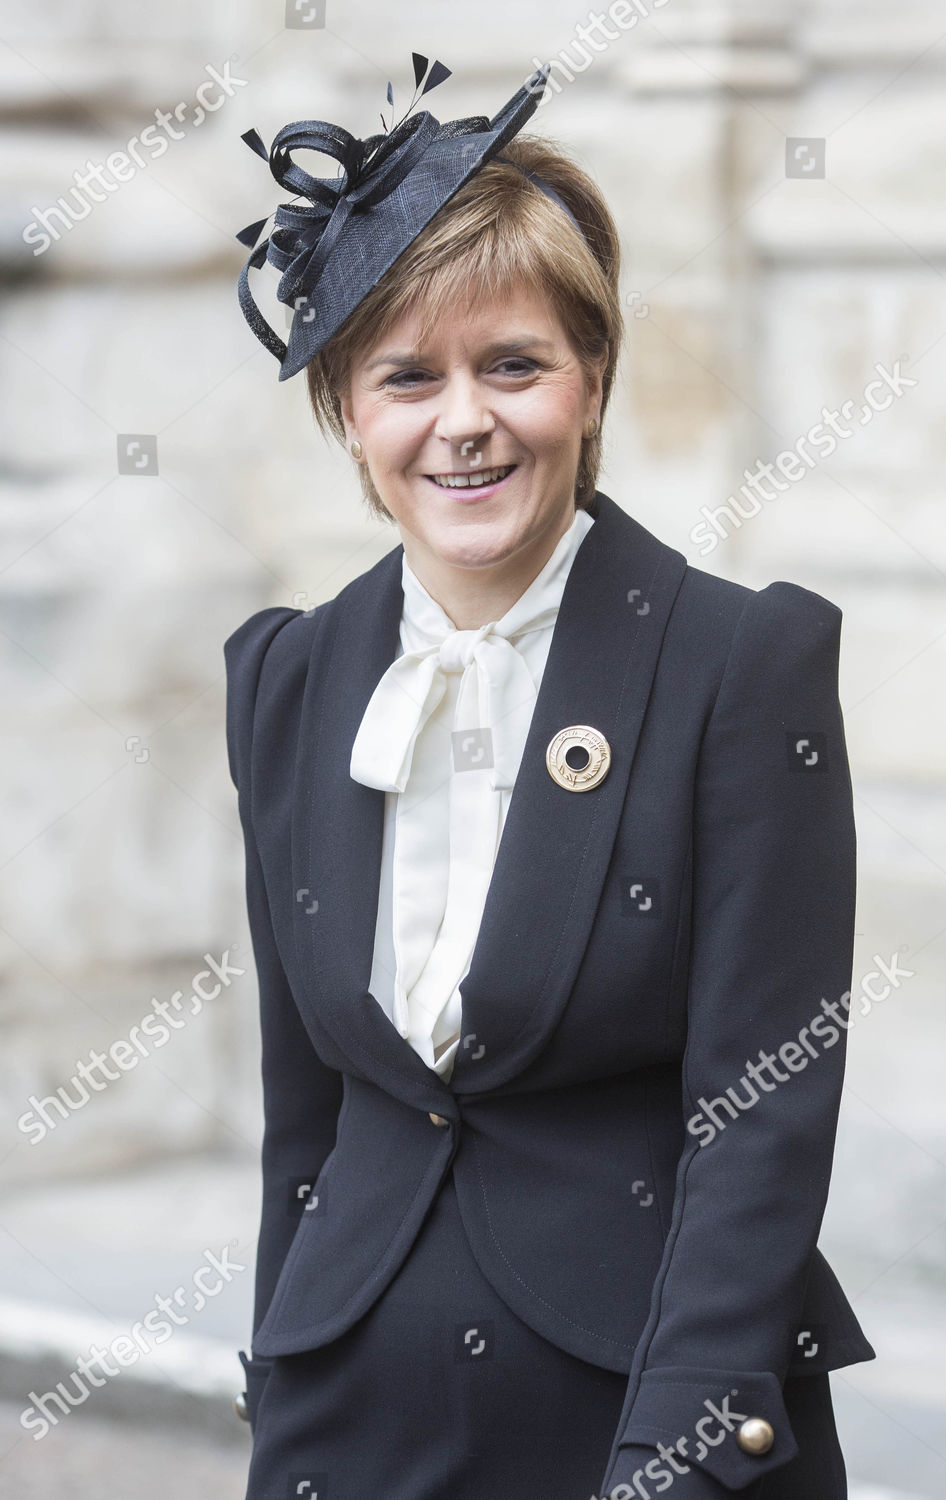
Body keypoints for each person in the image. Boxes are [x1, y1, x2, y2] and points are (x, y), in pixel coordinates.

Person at [225, 57, 875, 1500]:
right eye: (407, 376)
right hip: (347, 1428)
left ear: (589, 380)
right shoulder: (283, 680)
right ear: (346, 409)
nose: (463, 420)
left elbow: (760, 1114)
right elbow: (305, 1116)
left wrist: (677, 1457)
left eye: (511, 364)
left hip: (640, 1428)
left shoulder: (737, 663)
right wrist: (278, 1382)